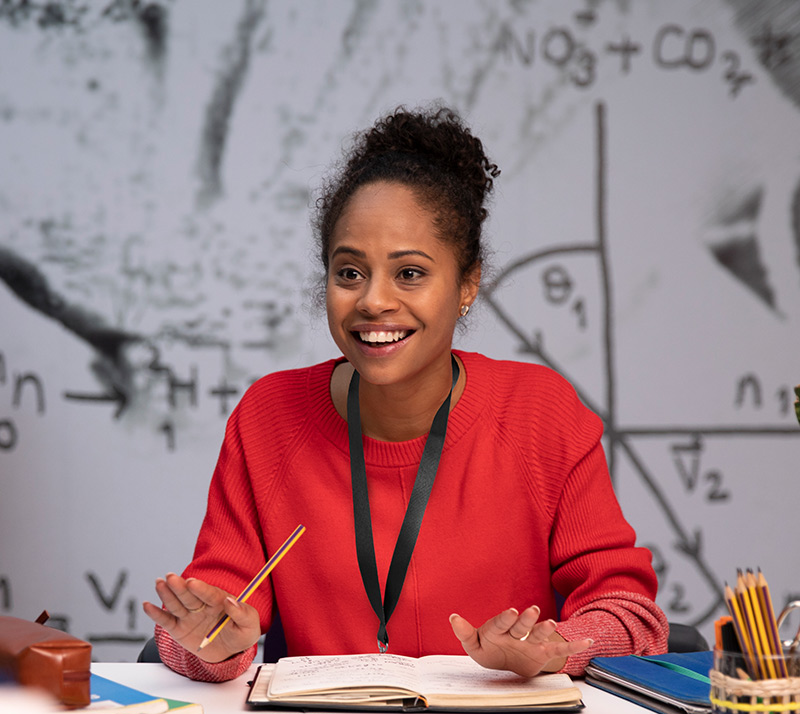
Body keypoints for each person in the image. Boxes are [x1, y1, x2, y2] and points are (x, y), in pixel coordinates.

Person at [143, 105, 669, 682]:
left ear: (467, 284)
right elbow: (205, 620)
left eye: (410, 273)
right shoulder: (269, 417)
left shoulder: (540, 413)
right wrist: (209, 645)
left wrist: (557, 647)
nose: (373, 301)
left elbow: (633, 619)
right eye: (349, 273)